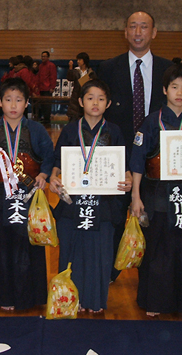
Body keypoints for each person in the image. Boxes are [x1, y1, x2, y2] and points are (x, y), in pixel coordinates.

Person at [130, 63, 182, 320]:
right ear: (165, 90)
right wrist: (135, 196)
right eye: (174, 87)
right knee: (158, 248)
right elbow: (137, 161)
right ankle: (155, 300)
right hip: (156, 193)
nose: (179, 92)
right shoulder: (150, 122)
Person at [97, 11, 172, 282]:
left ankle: (153, 279)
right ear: (125, 32)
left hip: (156, 164)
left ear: (154, 32)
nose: (138, 32)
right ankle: (108, 273)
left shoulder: (169, 70)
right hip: (118, 160)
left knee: (155, 221)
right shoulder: (107, 69)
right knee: (114, 217)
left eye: (144, 27)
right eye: (133, 26)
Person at [49, 79, 132, 313]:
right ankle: (68, 300)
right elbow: (57, 162)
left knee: (100, 251)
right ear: (80, 101)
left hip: (103, 202)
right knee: (71, 250)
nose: (95, 103)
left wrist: (128, 180)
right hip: (72, 202)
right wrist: (53, 179)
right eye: (90, 98)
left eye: (101, 98)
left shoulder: (114, 131)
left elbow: (123, 165)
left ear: (108, 103)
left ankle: (94, 300)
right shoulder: (69, 130)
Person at [0, 78, 54, 311]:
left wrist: (44, 175)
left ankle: (30, 294)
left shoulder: (36, 130)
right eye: (8, 99)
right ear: (0, 101)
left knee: (27, 244)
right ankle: (0, 295)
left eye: (19, 100)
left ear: (27, 103)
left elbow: (49, 156)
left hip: (27, 195)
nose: (13, 105)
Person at [66, 52, 97, 122]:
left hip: (87, 97)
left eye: (80, 59)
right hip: (76, 98)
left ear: (84, 61)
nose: (78, 61)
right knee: (74, 119)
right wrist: (70, 68)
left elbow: (95, 84)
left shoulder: (91, 72)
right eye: (77, 60)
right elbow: (69, 78)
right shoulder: (76, 71)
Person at [37, 51, 57, 125]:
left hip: (48, 88)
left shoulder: (51, 65)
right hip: (41, 88)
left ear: (48, 57)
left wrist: (52, 87)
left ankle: (47, 119)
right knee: (42, 104)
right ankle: (44, 118)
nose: (43, 58)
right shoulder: (40, 66)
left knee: (47, 105)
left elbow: (53, 76)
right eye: (42, 56)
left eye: (44, 56)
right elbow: (39, 77)